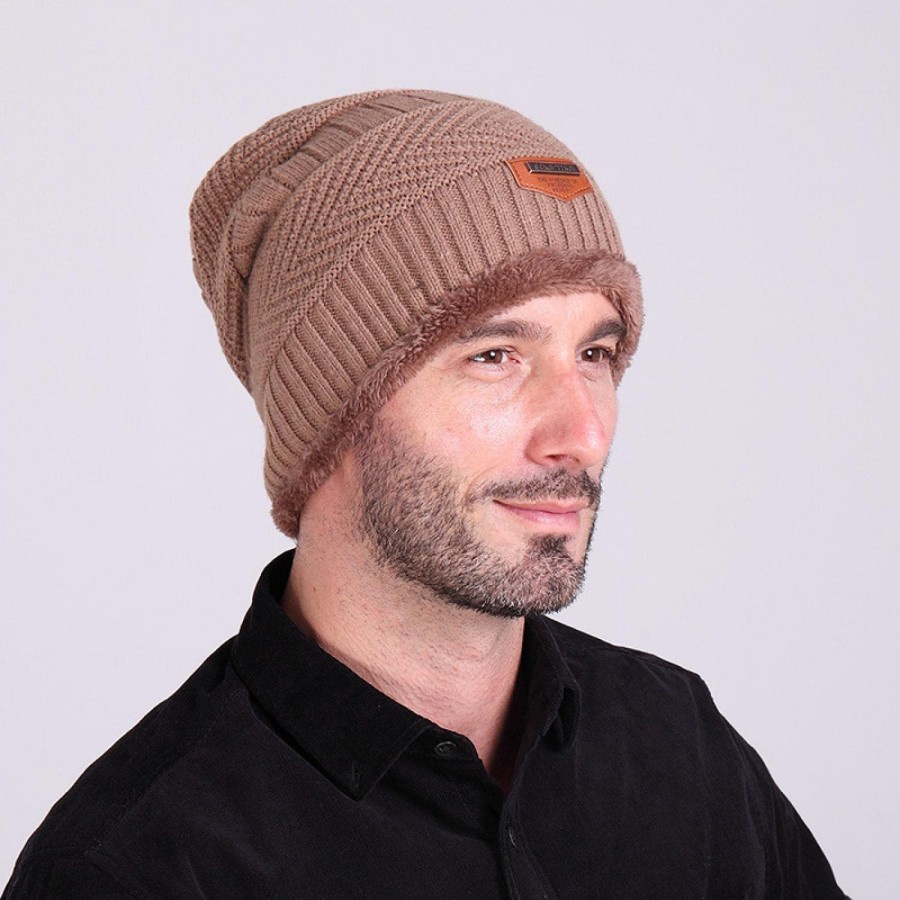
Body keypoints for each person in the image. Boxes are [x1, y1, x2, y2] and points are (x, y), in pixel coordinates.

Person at [3, 90, 848, 898]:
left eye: (594, 354)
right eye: (495, 356)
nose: (584, 434)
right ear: (333, 412)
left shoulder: (677, 743)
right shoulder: (141, 866)